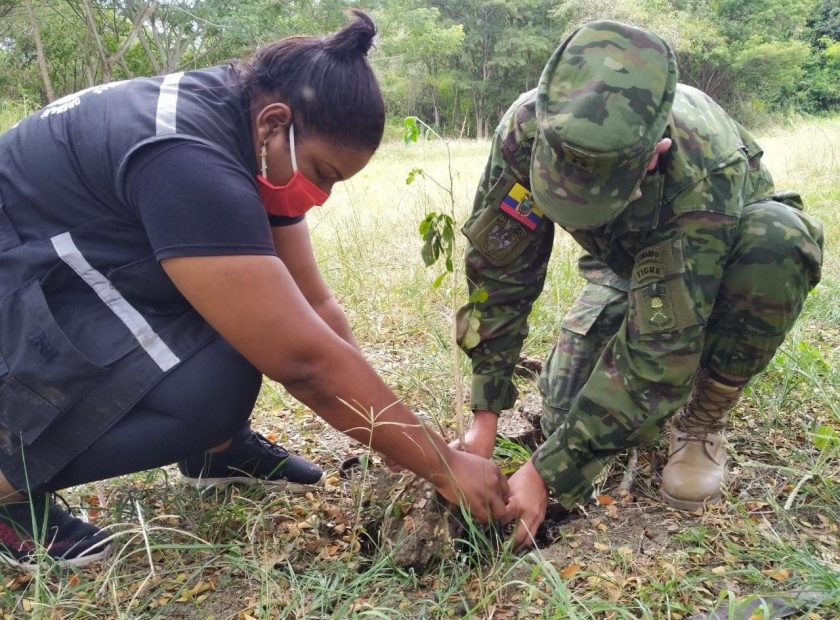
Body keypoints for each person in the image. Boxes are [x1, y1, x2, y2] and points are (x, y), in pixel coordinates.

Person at [0, 10, 509, 570]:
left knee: (239, 333)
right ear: (275, 122)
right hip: (19, 282)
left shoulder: (249, 129)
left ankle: (214, 453)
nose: (322, 195)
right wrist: (441, 464)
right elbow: (303, 361)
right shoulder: (188, 158)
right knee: (211, 388)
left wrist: (385, 430)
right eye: (324, 172)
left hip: (71, 261)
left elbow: (314, 305)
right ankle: (7, 483)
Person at [455, 20, 823, 547]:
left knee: (779, 241)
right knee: (563, 409)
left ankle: (702, 417)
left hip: (723, 256)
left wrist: (545, 473)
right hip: (627, 265)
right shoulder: (528, 127)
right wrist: (484, 415)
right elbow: (499, 271)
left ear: (655, 152)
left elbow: (661, 351)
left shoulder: (700, 166)